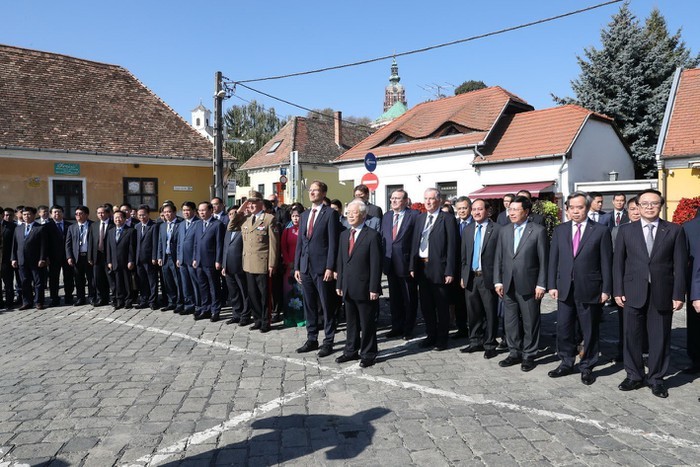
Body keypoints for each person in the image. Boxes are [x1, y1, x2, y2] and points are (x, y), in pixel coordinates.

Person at [613, 188, 687, 398]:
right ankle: (634, 375)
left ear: (660, 205)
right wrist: (617, 290)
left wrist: (678, 294)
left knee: (660, 338)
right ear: (637, 206)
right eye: (644, 203)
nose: (649, 207)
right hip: (632, 292)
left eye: (653, 203)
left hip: (662, 293)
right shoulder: (626, 230)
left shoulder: (674, 230)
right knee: (631, 336)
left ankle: (656, 378)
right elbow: (617, 263)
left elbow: (680, 265)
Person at [547, 192, 613, 385]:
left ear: (587, 208)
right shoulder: (560, 230)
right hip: (565, 288)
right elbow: (554, 260)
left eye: (580, 207)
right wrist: (552, 284)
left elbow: (606, 263)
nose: (576, 211)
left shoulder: (600, 231)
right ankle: (566, 362)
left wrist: (606, 289)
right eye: (572, 208)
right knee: (564, 328)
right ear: (566, 209)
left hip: (590, 288)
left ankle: (587, 366)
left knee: (589, 330)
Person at [494, 195, 548, 372]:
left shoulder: (538, 231)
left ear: (526, 211)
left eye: (516, 210)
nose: (512, 213)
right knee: (510, 322)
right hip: (508, 284)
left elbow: (543, 260)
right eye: (510, 209)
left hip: (529, 285)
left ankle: (529, 354)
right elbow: (499, 258)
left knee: (530, 321)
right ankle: (514, 352)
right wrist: (498, 280)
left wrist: (541, 284)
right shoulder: (504, 230)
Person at [294, 180, 340, 357]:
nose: (312, 193)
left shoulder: (330, 214)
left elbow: (333, 243)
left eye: (315, 190)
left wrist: (330, 266)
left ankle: (328, 340)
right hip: (305, 267)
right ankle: (312, 338)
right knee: (309, 305)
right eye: (310, 190)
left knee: (326, 306)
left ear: (323, 193)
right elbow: (301, 242)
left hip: (322, 268)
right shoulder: (305, 214)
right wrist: (297, 265)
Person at [335, 200, 383, 368]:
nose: (350, 215)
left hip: (365, 287)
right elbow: (341, 261)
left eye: (354, 213)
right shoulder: (344, 235)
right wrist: (339, 283)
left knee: (367, 323)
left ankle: (368, 353)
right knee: (351, 322)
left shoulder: (372, 235)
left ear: (363, 215)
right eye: (348, 212)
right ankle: (350, 351)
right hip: (348, 286)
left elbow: (376, 264)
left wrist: (374, 287)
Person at [409, 187, 458, 351]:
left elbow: (452, 246)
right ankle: (430, 335)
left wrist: (450, 270)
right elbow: (414, 243)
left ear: (439, 200)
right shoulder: (420, 219)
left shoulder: (447, 219)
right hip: (422, 267)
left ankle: (442, 339)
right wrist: (412, 266)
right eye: (426, 199)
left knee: (441, 305)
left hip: (439, 268)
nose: (428, 202)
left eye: (431, 199)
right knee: (426, 305)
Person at [459, 199, 502, 358]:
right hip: (471, 277)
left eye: (480, 209)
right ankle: (475, 341)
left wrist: (499, 279)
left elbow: (500, 257)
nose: (476, 212)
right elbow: (464, 256)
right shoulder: (468, 230)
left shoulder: (497, 229)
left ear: (488, 211)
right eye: (474, 209)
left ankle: (490, 343)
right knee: (473, 311)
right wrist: (463, 276)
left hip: (488, 277)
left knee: (490, 312)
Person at [235, 192, 280, 332]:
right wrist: (241, 208)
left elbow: (274, 244)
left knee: (264, 295)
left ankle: (266, 321)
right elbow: (231, 226)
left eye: (254, 202)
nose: (251, 205)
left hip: (262, 263)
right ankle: (257, 319)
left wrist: (272, 263)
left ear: (261, 203)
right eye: (250, 203)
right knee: (252, 294)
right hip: (248, 262)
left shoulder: (269, 219)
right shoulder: (247, 219)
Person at [381, 189, 419, 340]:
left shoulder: (414, 215)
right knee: (395, 298)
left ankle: (409, 328)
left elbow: (416, 242)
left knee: (409, 298)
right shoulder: (387, 216)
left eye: (397, 199)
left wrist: (413, 265)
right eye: (392, 198)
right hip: (390, 263)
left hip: (406, 264)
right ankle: (396, 326)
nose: (394, 201)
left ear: (405, 200)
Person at [192, 201, 225, 321]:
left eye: (204, 210)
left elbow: (219, 244)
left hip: (211, 262)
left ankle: (215, 310)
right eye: (200, 210)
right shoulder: (198, 224)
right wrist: (195, 258)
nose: (201, 212)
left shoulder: (217, 224)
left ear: (211, 211)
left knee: (214, 287)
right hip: (200, 261)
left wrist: (218, 260)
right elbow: (196, 243)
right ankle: (205, 309)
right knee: (203, 287)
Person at [11, 206, 48, 310]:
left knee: (38, 282)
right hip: (22, 260)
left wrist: (42, 258)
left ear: (34, 215)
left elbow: (43, 245)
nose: (26, 216)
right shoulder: (18, 229)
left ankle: (38, 302)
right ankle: (27, 302)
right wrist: (13, 258)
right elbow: (15, 245)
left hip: (36, 260)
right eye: (24, 214)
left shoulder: (40, 228)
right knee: (24, 282)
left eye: (28, 214)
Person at [223, 205, 249, 325]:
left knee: (244, 291)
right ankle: (236, 314)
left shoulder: (244, 227)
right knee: (233, 292)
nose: (232, 216)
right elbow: (225, 248)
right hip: (228, 266)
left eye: (235, 213)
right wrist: (224, 265)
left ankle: (245, 315)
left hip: (240, 265)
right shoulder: (228, 230)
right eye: (230, 214)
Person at [106, 210, 136, 309]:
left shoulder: (130, 230)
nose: (118, 219)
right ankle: (120, 300)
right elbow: (108, 248)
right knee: (117, 282)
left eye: (120, 217)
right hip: (114, 261)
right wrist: (109, 261)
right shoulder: (110, 231)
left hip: (126, 261)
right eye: (115, 218)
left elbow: (132, 247)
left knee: (127, 282)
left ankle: (128, 300)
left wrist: (131, 260)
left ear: (124, 219)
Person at [682, 208, 700, 375]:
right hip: (696, 289)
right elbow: (683, 260)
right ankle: (696, 360)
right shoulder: (690, 227)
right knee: (695, 328)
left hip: (695, 289)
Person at [281, 203, 305, 327]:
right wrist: (288, 261)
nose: (296, 218)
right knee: (289, 292)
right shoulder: (287, 230)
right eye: (293, 216)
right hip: (289, 267)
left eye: (298, 216)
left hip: (302, 266)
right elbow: (283, 247)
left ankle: (302, 317)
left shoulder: (305, 230)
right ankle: (290, 318)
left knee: (301, 293)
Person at [452, 196, 473, 338]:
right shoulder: (453, 223)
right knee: (458, 301)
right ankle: (461, 328)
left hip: (471, 269)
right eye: (459, 208)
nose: (462, 211)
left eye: (464, 208)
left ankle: (475, 329)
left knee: (472, 302)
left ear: (470, 208)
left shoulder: (475, 224)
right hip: (456, 269)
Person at [66, 205, 95, 306]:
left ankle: (92, 297)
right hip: (77, 257)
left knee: (91, 279)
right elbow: (68, 244)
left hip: (89, 256)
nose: (78, 215)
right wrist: (69, 257)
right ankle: (80, 298)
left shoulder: (93, 225)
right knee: (78, 279)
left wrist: (93, 256)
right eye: (76, 214)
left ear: (86, 215)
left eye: (80, 213)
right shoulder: (71, 227)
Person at [176, 202, 200, 315]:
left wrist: (196, 258)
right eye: (184, 210)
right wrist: (178, 257)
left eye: (188, 210)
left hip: (193, 259)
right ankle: (189, 304)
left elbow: (198, 243)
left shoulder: (198, 223)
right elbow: (179, 243)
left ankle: (198, 305)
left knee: (196, 283)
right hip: (182, 259)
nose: (186, 212)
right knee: (185, 283)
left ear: (194, 211)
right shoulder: (181, 224)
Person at [47, 205, 74, 306]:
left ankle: (69, 297)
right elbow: (45, 243)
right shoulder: (47, 226)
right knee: (53, 279)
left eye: (59, 212)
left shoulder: (70, 226)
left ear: (63, 213)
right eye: (54, 212)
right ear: (51, 214)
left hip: (67, 256)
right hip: (53, 257)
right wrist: (46, 257)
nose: (57, 214)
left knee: (69, 278)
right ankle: (54, 298)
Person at [157, 203, 182, 312]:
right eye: (165, 212)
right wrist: (159, 256)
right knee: (168, 281)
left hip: (175, 257)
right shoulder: (162, 225)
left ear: (174, 212)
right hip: (165, 257)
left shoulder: (180, 224)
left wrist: (179, 257)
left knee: (178, 281)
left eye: (169, 211)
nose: (167, 214)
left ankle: (180, 302)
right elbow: (160, 242)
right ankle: (171, 302)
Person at [134, 205, 159, 310]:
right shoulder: (137, 226)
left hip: (149, 259)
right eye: (139, 215)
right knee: (142, 281)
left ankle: (153, 301)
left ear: (148, 214)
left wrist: (154, 257)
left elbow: (155, 243)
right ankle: (144, 300)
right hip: (139, 259)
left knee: (152, 281)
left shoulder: (154, 226)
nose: (142, 217)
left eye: (143, 214)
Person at [89, 204, 114, 306]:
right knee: (98, 279)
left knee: (111, 278)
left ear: (108, 213)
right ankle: (101, 298)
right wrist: (90, 257)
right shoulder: (94, 225)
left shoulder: (113, 225)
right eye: (99, 213)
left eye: (103, 212)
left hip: (109, 256)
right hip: (97, 256)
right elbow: (90, 241)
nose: (101, 214)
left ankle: (114, 298)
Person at [1, 208, 16, 308]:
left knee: (8, 282)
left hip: (6, 258)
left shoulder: (12, 226)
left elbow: (14, 244)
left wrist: (13, 257)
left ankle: (9, 301)